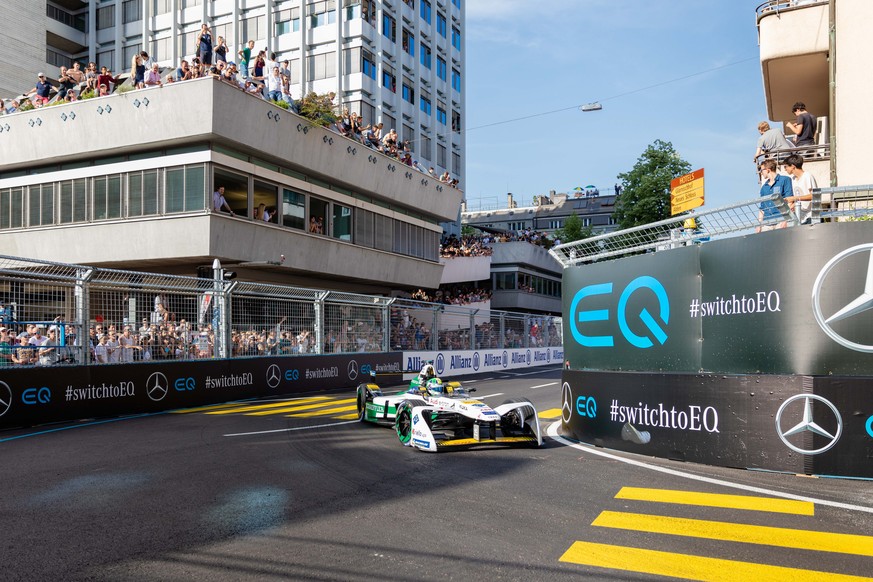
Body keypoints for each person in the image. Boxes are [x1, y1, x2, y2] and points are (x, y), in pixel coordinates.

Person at [757, 159, 793, 232]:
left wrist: (785, 220)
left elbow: (790, 201)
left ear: (768, 170)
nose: (761, 173)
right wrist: (759, 225)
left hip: (781, 220)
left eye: (761, 170)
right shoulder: (764, 187)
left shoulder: (785, 180)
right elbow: (762, 207)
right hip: (767, 223)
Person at [782, 154, 819, 225]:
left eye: (786, 166)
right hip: (800, 217)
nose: (785, 169)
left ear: (793, 166)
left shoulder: (807, 176)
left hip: (811, 216)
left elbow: (814, 196)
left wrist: (795, 198)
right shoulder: (793, 179)